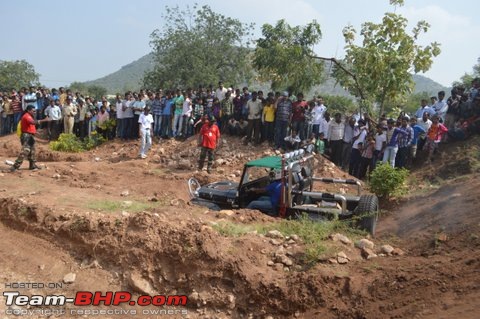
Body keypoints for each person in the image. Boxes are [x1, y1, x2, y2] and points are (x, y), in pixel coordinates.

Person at [10, 105, 49, 171]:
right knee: (26, 151)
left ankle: (32, 165)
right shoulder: (26, 116)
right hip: (26, 136)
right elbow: (33, 122)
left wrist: (35, 132)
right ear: (28, 110)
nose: (34, 112)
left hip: (30, 135)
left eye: (35, 110)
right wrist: (44, 120)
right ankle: (15, 166)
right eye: (33, 110)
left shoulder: (30, 116)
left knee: (32, 151)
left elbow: (30, 126)